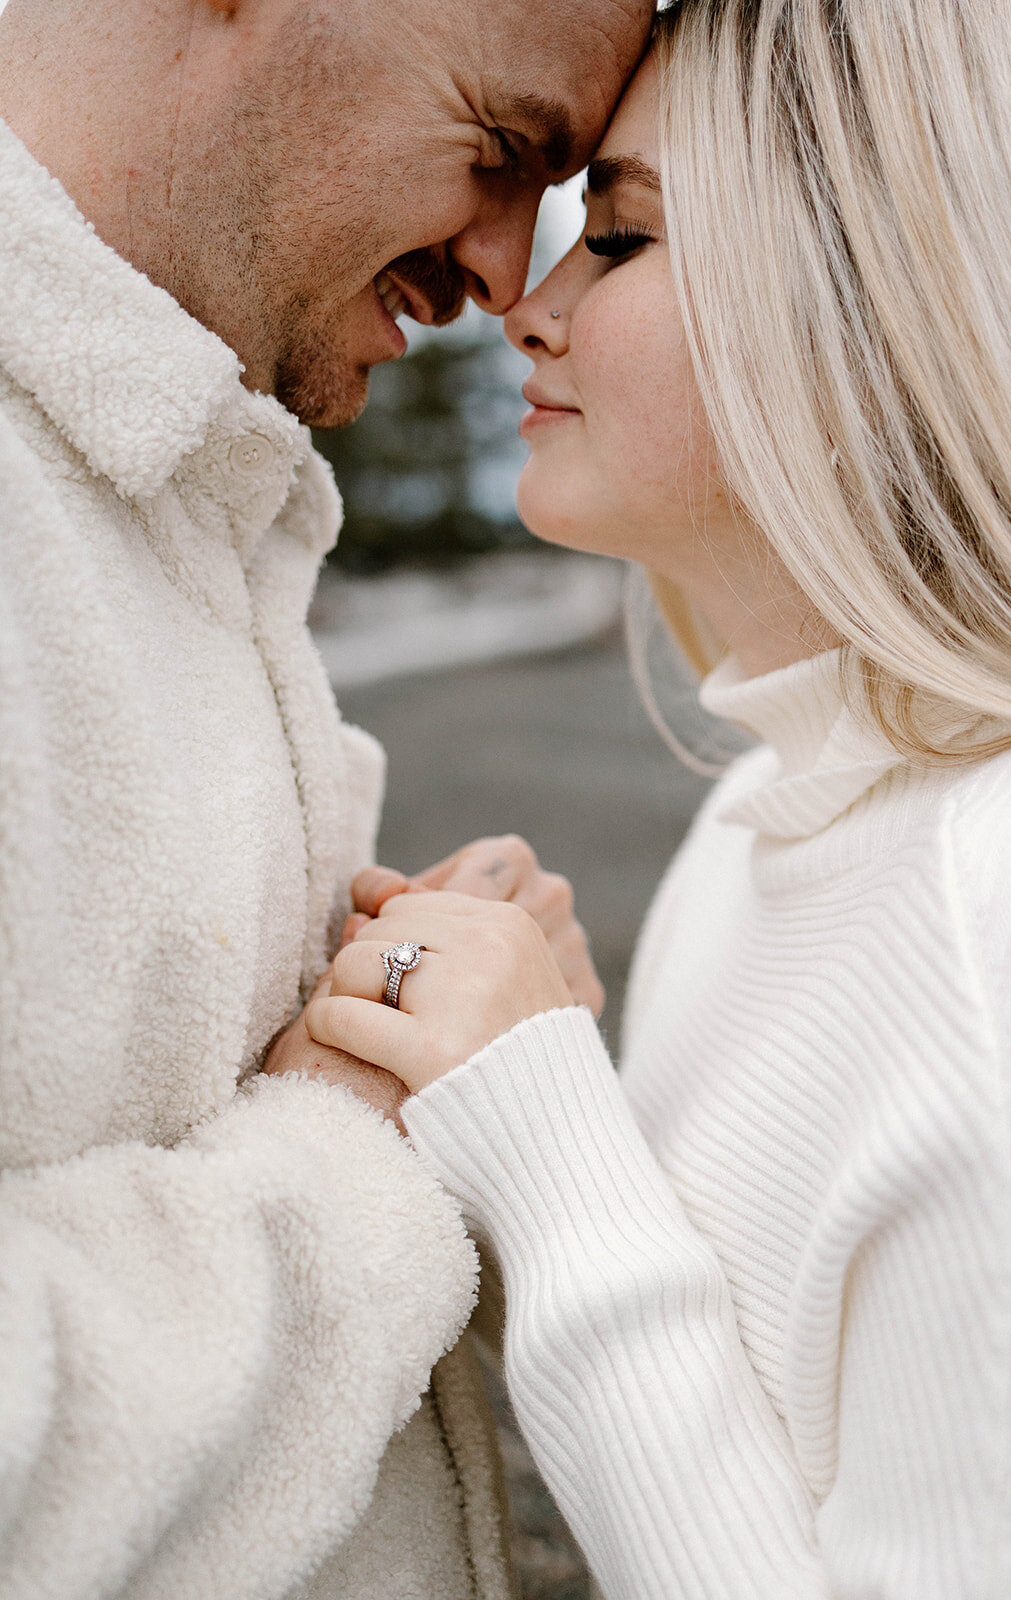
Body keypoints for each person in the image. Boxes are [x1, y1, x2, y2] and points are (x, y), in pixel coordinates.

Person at [309, 1, 1011, 1596]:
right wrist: (491, 1088)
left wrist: (549, 1126)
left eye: (617, 235)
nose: (524, 309)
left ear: (886, 300)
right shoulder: (754, 830)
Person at [0, 0, 651, 1595]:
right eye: (504, 147)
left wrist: (469, 1056)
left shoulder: (178, 482)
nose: (511, 275)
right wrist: (360, 1152)